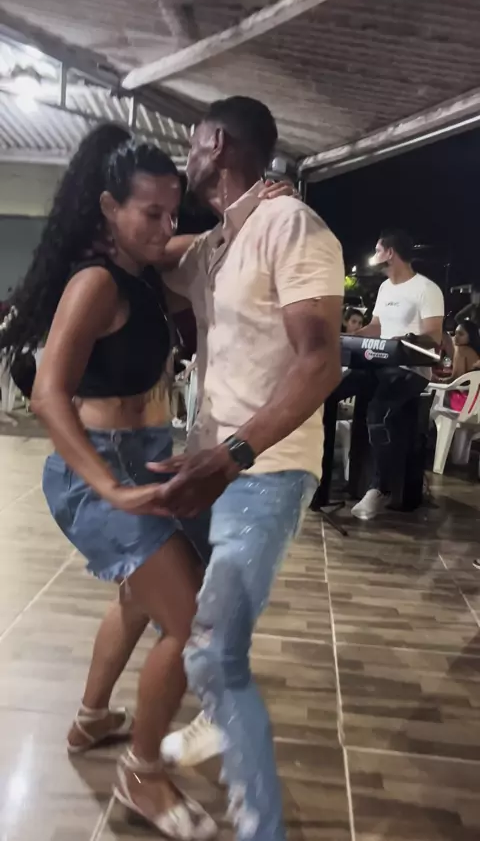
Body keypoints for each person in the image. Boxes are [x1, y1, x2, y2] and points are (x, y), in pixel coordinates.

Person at [1, 124, 221, 840]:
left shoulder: (144, 271)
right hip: (96, 468)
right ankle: (143, 776)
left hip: (145, 455)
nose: (164, 227)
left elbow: (202, 243)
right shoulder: (95, 283)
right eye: (150, 213)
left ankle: (91, 719)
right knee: (193, 623)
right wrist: (112, 489)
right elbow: (47, 396)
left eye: (171, 213)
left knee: (136, 599)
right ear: (107, 207)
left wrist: (248, 212)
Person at [146, 96, 344, 841]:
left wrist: (233, 454)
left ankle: (264, 828)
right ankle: (208, 714)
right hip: (212, 465)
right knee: (178, 615)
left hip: (262, 472)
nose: (186, 156)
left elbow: (320, 362)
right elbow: (152, 251)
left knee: (213, 653)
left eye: (193, 143)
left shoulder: (292, 226)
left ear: (218, 142)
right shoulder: (221, 243)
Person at [336, 229, 444, 520]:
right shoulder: (385, 289)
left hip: (410, 370)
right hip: (378, 364)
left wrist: (404, 341)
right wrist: (349, 338)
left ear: (390, 253)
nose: (374, 256)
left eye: (377, 250)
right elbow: (376, 327)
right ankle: (319, 480)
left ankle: (380, 488)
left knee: (378, 411)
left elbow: (434, 335)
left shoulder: (427, 289)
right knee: (329, 389)